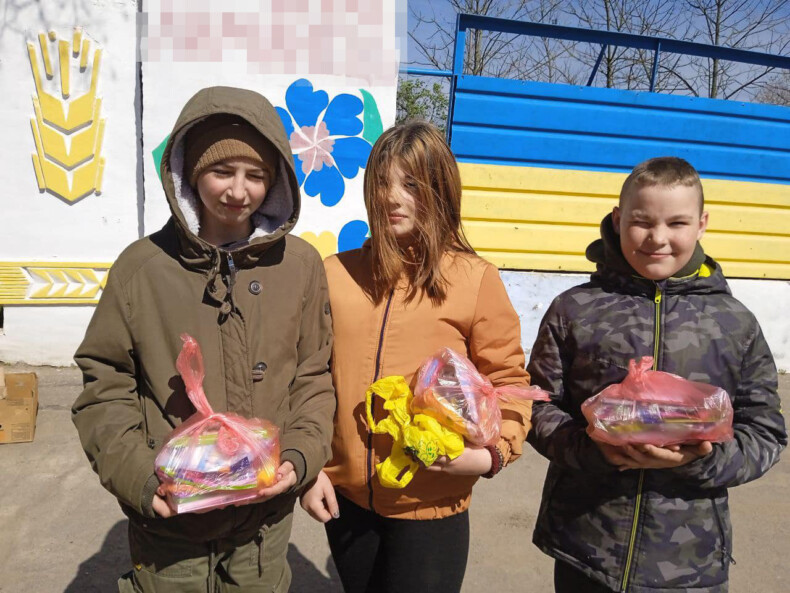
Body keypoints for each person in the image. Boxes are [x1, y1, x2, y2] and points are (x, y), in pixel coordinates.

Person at [72, 86, 336, 592]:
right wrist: (139, 477)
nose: (238, 191)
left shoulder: (300, 266)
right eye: (222, 171)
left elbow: (313, 375)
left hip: (264, 524)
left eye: (256, 175)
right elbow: (104, 387)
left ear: (275, 180)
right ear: (191, 173)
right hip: (172, 524)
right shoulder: (141, 270)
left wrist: (301, 456)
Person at [526, 156, 787, 593]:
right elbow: (536, 405)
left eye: (677, 223)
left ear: (702, 224)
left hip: (690, 561)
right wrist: (592, 449)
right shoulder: (574, 310)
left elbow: (765, 432)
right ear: (618, 219)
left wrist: (701, 459)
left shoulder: (734, 323)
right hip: (585, 548)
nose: (658, 238)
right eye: (641, 222)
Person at [298, 120, 533, 593]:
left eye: (411, 184)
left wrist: (491, 454)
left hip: (432, 507)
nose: (392, 198)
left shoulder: (474, 279)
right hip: (346, 503)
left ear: (441, 191)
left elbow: (509, 382)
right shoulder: (333, 274)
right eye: (382, 182)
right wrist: (310, 469)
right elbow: (308, 378)